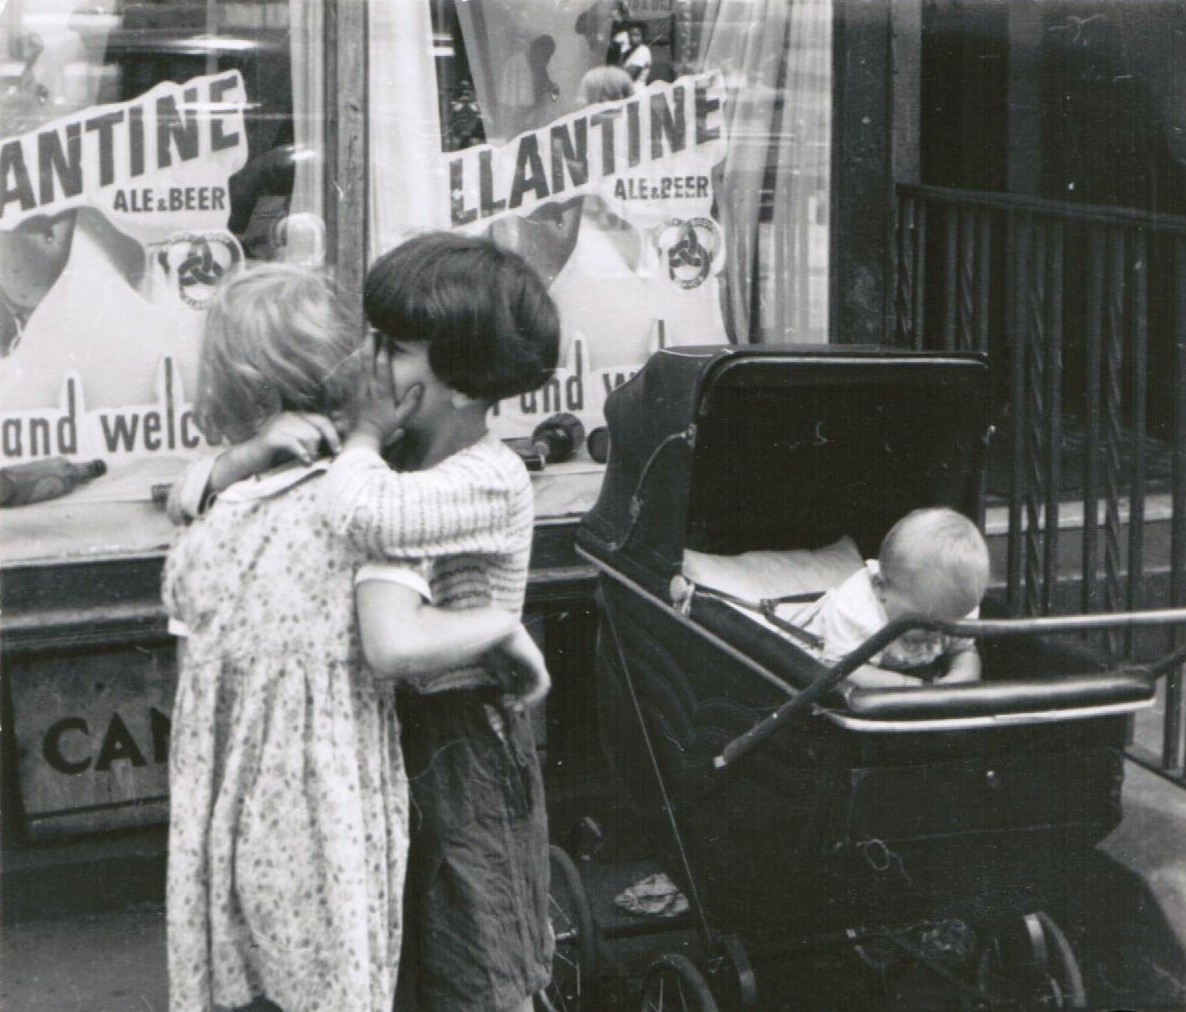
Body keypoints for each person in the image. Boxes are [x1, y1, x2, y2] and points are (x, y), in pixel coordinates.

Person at [162, 262, 549, 1012]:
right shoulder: (378, 469)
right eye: (369, 345)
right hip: (384, 731)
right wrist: (267, 452)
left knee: (479, 952)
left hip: (458, 732)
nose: (373, 361)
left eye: (395, 347)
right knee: (406, 950)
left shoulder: (439, 478)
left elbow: (375, 548)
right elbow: (195, 495)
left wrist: (356, 434)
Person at [794, 507, 990, 688]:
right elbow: (839, 669)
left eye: (951, 621)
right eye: (925, 623)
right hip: (832, 651)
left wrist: (955, 683)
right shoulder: (857, 612)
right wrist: (909, 686)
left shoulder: (957, 605)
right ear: (881, 588)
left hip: (905, 666)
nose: (938, 633)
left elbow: (965, 652)